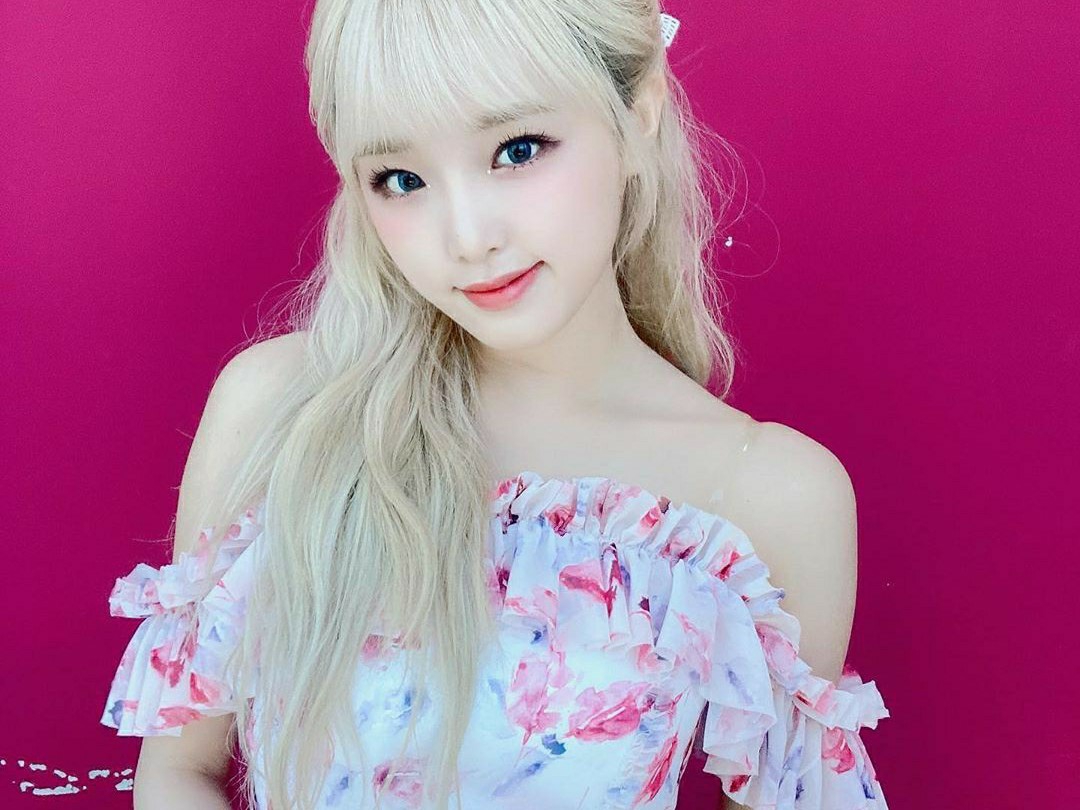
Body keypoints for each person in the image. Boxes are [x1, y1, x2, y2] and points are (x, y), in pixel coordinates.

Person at [99, 2, 890, 808]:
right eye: (401, 180)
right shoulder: (280, 411)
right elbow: (179, 770)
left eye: (518, 149)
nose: (468, 237)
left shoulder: (767, 498)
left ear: (639, 111)